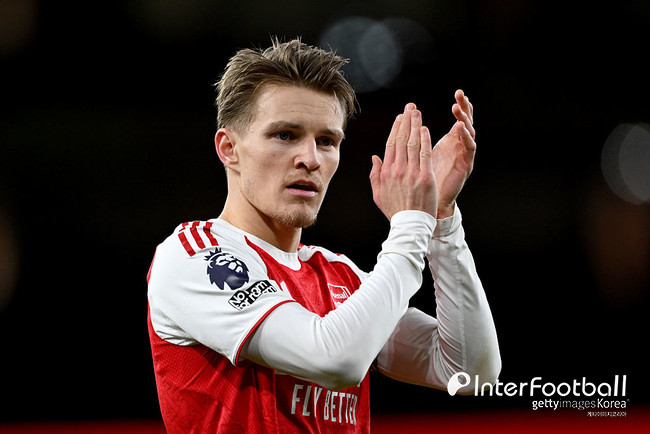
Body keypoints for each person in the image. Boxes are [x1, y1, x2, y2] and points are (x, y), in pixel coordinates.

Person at [147, 37, 500, 433]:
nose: (311, 159)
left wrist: (440, 222)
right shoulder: (193, 256)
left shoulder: (339, 275)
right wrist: (411, 224)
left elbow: (470, 371)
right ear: (229, 149)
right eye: (285, 135)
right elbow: (335, 361)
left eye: (327, 141)